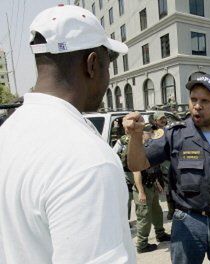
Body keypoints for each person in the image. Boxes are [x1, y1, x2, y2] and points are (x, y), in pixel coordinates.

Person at [0, 5, 136, 264]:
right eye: (108, 65)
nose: (108, 78)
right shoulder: (88, 161)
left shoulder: (7, 132)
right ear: (92, 64)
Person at [123, 73, 210, 264]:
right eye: (193, 99)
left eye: (205, 101)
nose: (197, 105)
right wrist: (136, 136)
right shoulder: (175, 134)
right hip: (188, 221)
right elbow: (137, 164)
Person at [133, 123, 171, 253]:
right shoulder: (138, 148)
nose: (152, 134)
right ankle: (142, 245)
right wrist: (141, 192)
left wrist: (157, 184)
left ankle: (160, 234)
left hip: (151, 185)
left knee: (157, 212)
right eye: (149, 132)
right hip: (142, 187)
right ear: (142, 133)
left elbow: (152, 169)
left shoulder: (151, 147)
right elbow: (137, 172)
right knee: (144, 217)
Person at [151, 111, 175, 220]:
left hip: (170, 162)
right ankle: (170, 211)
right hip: (160, 164)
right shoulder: (152, 132)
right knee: (166, 189)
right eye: (161, 119)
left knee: (173, 188)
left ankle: (175, 209)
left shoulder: (170, 129)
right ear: (155, 121)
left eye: (164, 118)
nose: (163, 121)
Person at [113, 118, 134, 224]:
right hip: (129, 173)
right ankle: (126, 220)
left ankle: (126, 220)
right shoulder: (123, 140)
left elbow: (113, 154)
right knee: (129, 197)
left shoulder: (123, 140)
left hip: (133, 172)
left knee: (129, 197)